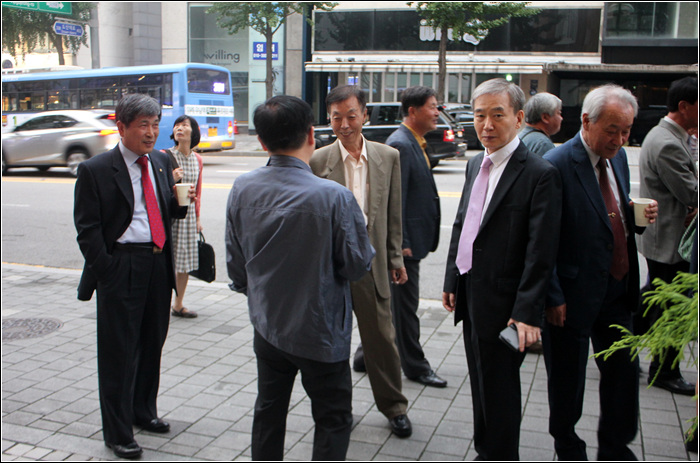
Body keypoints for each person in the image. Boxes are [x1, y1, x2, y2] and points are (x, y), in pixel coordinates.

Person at [225, 95, 375, 461]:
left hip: (268, 324)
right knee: (333, 418)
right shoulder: (334, 197)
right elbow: (357, 266)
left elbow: (236, 265)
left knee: (269, 410)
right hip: (321, 330)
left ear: (262, 141)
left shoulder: (243, 188)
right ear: (311, 134)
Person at [442, 78, 562, 460]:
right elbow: (464, 223)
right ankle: (486, 450)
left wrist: (526, 312)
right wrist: (452, 278)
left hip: (506, 305)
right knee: (481, 384)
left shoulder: (539, 173)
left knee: (501, 390)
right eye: (480, 116)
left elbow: (541, 252)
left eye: (498, 115)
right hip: (471, 292)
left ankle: (501, 454)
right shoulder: (475, 163)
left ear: (519, 118)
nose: (487, 125)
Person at [543, 84, 658, 461]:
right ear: (586, 121)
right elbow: (542, 238)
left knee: (623, 374)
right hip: (572, 294)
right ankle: (568, 447)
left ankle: (615, 447)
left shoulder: (618, 158)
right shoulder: (557, 164)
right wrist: (553, 295)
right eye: (612, 130)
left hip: (617, 288)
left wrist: (636, 218)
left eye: (626, 131)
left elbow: (609, 212)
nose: (620, 140)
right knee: (568, 381)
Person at [74, 93, 192, 459]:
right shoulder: (96, 170)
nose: (151, 132)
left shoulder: (160, 161)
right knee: (118, 353)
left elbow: (162, 209)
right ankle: (118, 431)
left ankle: (143, 411)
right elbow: (88, 231)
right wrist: (108, 271)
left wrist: (180, 203)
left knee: (152, 343)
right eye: (143, 125)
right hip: (122, 266)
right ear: (121, 127)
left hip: (157, 263)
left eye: (155, 125)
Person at [310, 85, 412, 438]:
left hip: (371, 263)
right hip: (332, 268)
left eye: (351, 116)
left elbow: (393, 213)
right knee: (332, 343)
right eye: (336, 117)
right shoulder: (317, 161)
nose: (344, 125)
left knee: (381, 338)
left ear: (365, 115)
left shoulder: (388, 156)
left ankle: (395, 407)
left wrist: (395, 257)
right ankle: (338, 411)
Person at [637, 76, 698, 396]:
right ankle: (664, 370)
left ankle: (619, 343)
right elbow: (691, 191)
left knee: (654, 298)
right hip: (669, 241)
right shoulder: (668, 143)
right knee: (672, 305)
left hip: (665, 237)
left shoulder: (671, 136)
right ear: (684, 106)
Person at [385, 86, 447, 388]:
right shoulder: (401, 144)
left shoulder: (415, 141)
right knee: (405, 308)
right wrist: (401, 245)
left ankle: (365, 356)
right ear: (412, 111)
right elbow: (394, 198)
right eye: (432, 107)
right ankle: (415, 366)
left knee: (396, 307)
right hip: (404, 248)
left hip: (410, 242)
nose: (437, 112)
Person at [167, 115, 204, 319]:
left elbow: (198, 191)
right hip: (170, 215)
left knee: (185, 261)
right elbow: (156, 187)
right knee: (167, 261)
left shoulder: (198, 160)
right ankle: (162, 301)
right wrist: (170, 179)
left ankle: (178, 304)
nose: (179, 128)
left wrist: (197, 218)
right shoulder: (165, 156)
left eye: (184, 125)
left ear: (194, 132)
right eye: (177, 125)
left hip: (188, 216)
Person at [519, 92, 563, 156]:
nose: (561, 118)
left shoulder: (521, 136)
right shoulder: (543, 144)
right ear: (545, 117)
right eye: (559, 113)